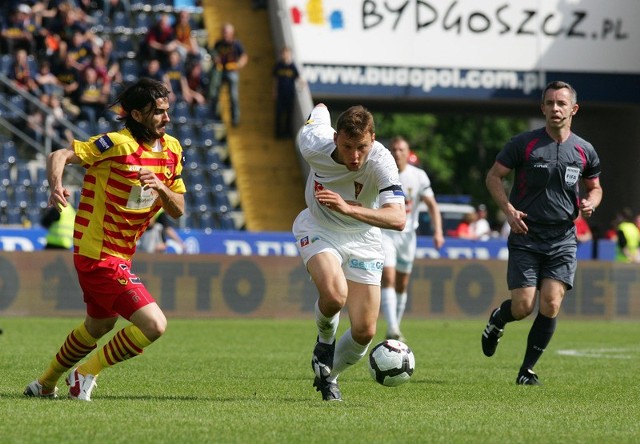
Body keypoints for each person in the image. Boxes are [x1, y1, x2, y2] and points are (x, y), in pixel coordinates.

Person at [24, 77, 186, 401]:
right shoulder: (116, 144)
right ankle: (84, 373)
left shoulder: (172, 150)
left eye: (167, 110)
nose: (166, 118)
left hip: (120, 255)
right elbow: (59, 155)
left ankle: (43, 384)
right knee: (154, 324)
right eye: (158, 112)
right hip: (97, 254)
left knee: (98, 327)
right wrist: (55, 184)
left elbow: (179, 208)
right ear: (138, 115)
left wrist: (161, 186)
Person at [481, 80, 602, 386]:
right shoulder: (523, 144)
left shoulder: (584, 150)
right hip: (526, 234)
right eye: (549, 103)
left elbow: (595, 187)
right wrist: (508, 210)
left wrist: (591, 203)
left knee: (550, 303)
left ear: (573, 109)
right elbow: (494, 177)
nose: (555, 109)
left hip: (562, 237)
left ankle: (527, 370)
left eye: (561, 103)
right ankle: (498, 320)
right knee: (522, 307)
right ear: (542, 108)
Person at [293, 103, 406, 401]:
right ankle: (325, 342)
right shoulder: (312, 142)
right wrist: (321, 110)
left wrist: (348, 209)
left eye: (362, 147)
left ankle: (329, 375)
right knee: (334, 295)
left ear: (373, 139)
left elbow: (398, 219)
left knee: (365, 331)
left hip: (363, 237)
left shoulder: (381, 160)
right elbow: (319, 109)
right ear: (334, 139)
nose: (355, 156)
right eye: (347, 147)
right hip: (318, 227)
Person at [380, 136, 444, 341]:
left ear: (408, 153)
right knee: (388, 277)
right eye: (394, 150)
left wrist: (438, 231)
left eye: (401, 150)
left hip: (408, 236)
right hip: (386, 233)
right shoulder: (381, 172)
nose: (397, 153)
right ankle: (392, 328)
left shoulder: (419, 176)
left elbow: (432, 205)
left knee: (402, 283)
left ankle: (395, 326)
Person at [208, 23, 248, 127]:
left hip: (231, 71)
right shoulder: (219, 43)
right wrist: (215, 59)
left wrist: (239, 65)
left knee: (233, 96)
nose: (225, 34)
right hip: (220, 71)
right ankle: (214, 116)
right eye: (224, 32)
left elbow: (244, 56)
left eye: (226, 32)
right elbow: (213, 54)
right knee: (215, 93)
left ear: (231, 33)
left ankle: (235, 119)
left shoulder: (236, 44)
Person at [272, 46, 302, 139]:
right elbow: (275, 79)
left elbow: (298, 77)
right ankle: (278, 133)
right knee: (279, 114)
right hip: (280, 94)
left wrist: (302, 84)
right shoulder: (279, 66)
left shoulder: (292, 66)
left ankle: (287, 133)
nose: (285, 55)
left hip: (289, 94)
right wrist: (274, 91)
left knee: (289, 114)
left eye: (287, 53)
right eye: (284, 53)